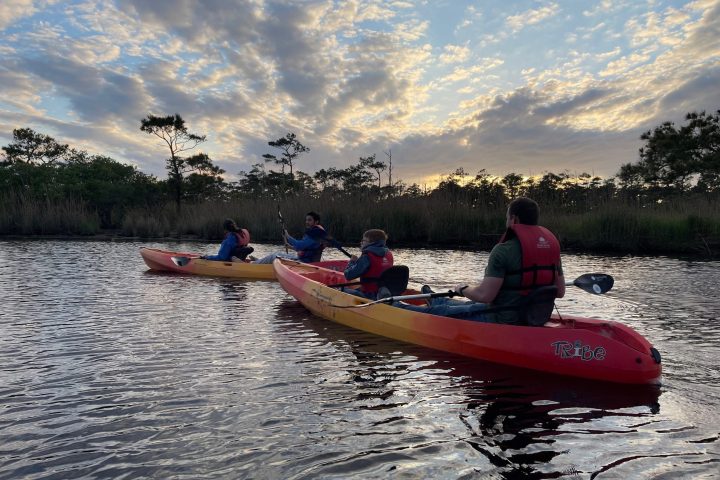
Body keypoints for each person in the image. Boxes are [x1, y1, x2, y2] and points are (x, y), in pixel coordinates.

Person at [396, 197, 565, 325]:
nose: (506, 222)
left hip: (500, 318)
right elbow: (560, 292)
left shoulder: (503, 250)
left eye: (507, 218)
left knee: (442, 311)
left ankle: (395, 309)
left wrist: (463, 288)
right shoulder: (552, 249)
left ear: (514, 220)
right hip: (534, 316)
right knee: (464, 304)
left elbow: (485, 296)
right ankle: (436, 297)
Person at [254, 211, 328, 264]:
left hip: (304, 263)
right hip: (304, 261)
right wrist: (290, 247)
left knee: (274, 255)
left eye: (309, 220)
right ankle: (260, 261)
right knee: (276, 255)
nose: (307, 222)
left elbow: (299, 245)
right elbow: (305, 248)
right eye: (306, 220)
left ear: (316, 222)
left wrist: (287, 236)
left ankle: (253, 264)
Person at [341, 229, 393, 299]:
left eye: (363, 240)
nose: (361, 242)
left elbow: (348, 275)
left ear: (371, 242)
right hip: (384, 293)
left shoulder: (366, 256)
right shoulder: (389, 254)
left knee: (340, 290)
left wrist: (352, 262)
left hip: (369, 295)